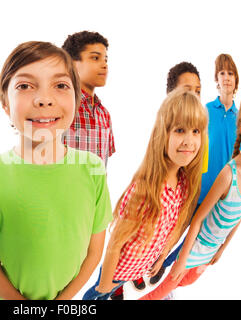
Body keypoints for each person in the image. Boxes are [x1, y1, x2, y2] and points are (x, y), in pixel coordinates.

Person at [0, 41, 112, 300]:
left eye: (60, 86)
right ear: (5, 104)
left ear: (77, 98)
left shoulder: (93, 169)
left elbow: (94, 253)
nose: (44, 99)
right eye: (25, 86)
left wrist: (62, 301)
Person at [140, 87, 241, 300]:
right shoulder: (229, 174)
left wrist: (223, 248)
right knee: (154, 295)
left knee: (187, 281)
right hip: (195, 247)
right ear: (240, 128)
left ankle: (167, 289)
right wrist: (182, 260)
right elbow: (198, 219)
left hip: (210, 250)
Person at [82, 88, 207, 300]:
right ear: (163, 134)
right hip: (114, 273)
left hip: (136, 269)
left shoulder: (183, 183)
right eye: (179, 130)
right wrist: (104, 286)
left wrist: (161, 258)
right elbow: (115, 245)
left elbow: (169, 229)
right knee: (94, 296)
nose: (189, 141)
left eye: (196, 131)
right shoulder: (145, 191)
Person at [148, 55, 240, 288]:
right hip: (192, 189)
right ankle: (153, 269)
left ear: (236, 80)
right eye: (222, 74)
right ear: (216, 80)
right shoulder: (204, 111)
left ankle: (166, 278)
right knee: (173, 233)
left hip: (217, 197)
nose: (227, 78)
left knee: (190, 245)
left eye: (231, 74)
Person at [120, 62, 206, 297]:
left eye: (198, 91)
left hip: (186, 194)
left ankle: (159, 263)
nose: (194, 96)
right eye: (187, 90)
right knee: (148, 227)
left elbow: (199, 166)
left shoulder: (200, 127)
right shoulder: (166, 125)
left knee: (172, 232)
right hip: (160, 192)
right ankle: (136, 270)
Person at [62, 31, 115, 166]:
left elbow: (104, 164)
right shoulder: (61, 107)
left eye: (106, 59)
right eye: (95, 58)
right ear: (72, 64)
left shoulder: (104, 114)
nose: (105, 65)